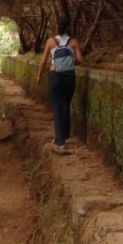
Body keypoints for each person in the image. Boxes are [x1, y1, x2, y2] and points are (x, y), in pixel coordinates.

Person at [36, 15, 83, 148]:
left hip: (55, 77)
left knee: (57, 107)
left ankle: (59, 140)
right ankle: (65, 134)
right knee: (66, 105)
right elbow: (80, 60)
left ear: (57, 26)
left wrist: (39, 76)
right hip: (70, 78)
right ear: (69, 27)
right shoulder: (74, 42)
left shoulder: (51, 41)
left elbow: (44, 61)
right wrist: (70, 61)